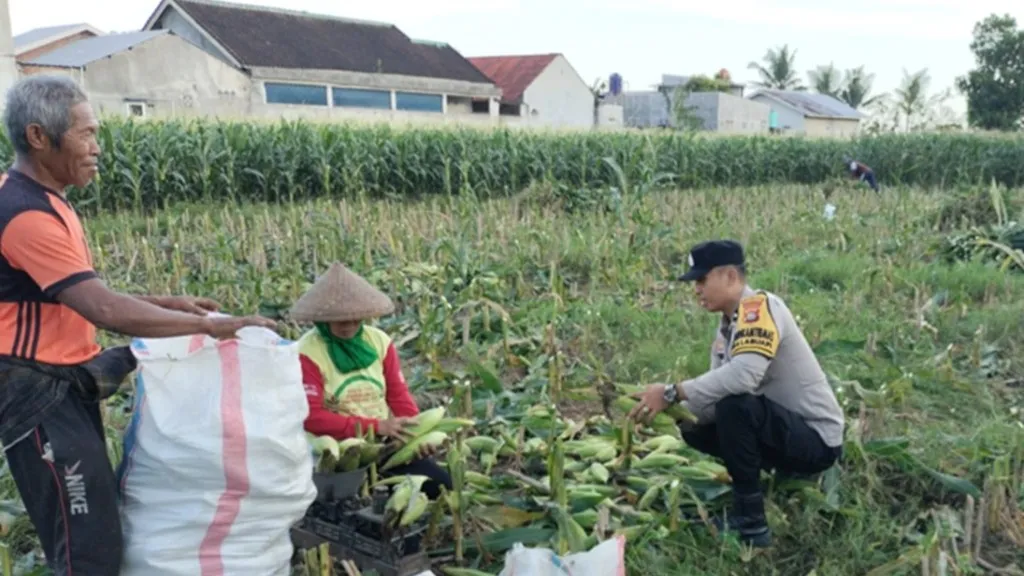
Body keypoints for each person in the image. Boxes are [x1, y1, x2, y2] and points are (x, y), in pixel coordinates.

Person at [0, 75, 277, 576]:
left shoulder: (43, 198)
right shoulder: (22, 213)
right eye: (85, 134)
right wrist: (214, 328)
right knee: (88, 549)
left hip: (61, 385)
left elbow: (75, 291)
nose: (97, 148)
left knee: (90, 533)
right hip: (37, 395)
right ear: (39, 137)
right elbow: (101, 309)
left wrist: (173, 306)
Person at [629, 240, 845, 548]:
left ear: (730, 276)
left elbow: (744, 376)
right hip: (783, 431)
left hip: (817, 439)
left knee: (735, 407)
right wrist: (668, 414)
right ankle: (759, 481)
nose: (696, 289)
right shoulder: (727, 327)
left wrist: (671, 392)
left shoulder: (760, 308)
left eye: (702, 280)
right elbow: (709, 399)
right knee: (694, 425)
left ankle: (751, 523)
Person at [290, 262, 452, 500]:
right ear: (322, 319)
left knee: (442, 486)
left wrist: (416, 434)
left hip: (382, 443)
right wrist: (375, 426)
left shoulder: (379, 341)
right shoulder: (307, 352)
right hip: (335, 452)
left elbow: (398, 396)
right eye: (341, 321)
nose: (349, 326)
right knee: (350, 505)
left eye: (356, 319)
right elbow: (312, 417)